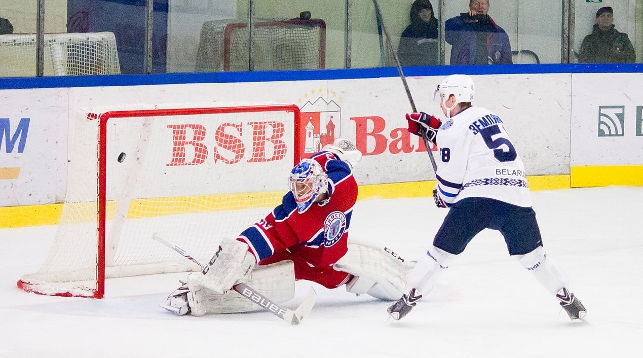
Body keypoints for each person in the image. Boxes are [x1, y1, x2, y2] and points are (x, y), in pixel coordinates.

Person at [387, 74, 587, 321]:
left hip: (478, 200)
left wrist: (442, 196)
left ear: (453, 98)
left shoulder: (451, 129)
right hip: (516, 196)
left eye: (443, 98)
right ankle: (568, 298)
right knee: (534, 257)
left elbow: (450, 186)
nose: (441, 104)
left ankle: (408, 298)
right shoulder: (490, 116)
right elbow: (469, 138)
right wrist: (434, 131)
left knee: (440, 253)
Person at [163, 139, 414, 316]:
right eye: (295, 186)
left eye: (303, 187)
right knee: (256, 273)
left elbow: (335, 160)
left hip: (327, 260)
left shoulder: (346, 185)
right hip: (300, 255)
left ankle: (401, 284)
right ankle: (197, 297)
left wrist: (340, 150)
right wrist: (242, 250)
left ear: (319, 184)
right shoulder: (295, 215)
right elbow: (267, 230)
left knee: (354, 279)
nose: (297, 192)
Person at [444, 0, 512, 65]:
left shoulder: (499, 32)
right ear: (470, 5)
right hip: (464, 75)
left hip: (489, 75)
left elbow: (507, 63)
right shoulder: (461, 27)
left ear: (488, 6)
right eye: (476, 3)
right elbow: (444, 31)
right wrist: (465, 18)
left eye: (483, 3)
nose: (480, 6)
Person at [397, 0, 440, 67]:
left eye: (428, 10)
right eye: (421, 11)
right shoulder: (409, 32)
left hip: (436, 71)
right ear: (416, 13)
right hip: (416, 71)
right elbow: (403, 57)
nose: (426, 14)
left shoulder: (439, 27)